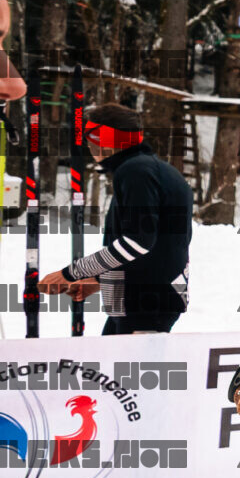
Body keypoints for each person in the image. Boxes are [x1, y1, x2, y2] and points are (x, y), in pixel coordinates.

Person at [38, 103, 193, 333]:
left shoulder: (135, 171)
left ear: (106, 140)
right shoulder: (153, 169)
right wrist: (99, 280)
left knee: (130, 357)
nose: (88, 147)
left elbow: (137, 242)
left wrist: (71, 273)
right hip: (145, 300)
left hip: (146, 303)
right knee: (110, 355)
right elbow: (158, 246)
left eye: (91, 140)